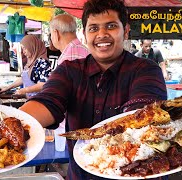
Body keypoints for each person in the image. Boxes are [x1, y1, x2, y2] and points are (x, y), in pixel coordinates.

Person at [19, 0, 167, 179]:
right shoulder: (69, 71)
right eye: (93, 28)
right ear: (84, 34)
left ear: (126, 31)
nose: (101, 34)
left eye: (111, 26)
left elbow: (143, 115)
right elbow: (48, 102)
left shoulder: (147, 70)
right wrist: (12, 123)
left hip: (138, 173)